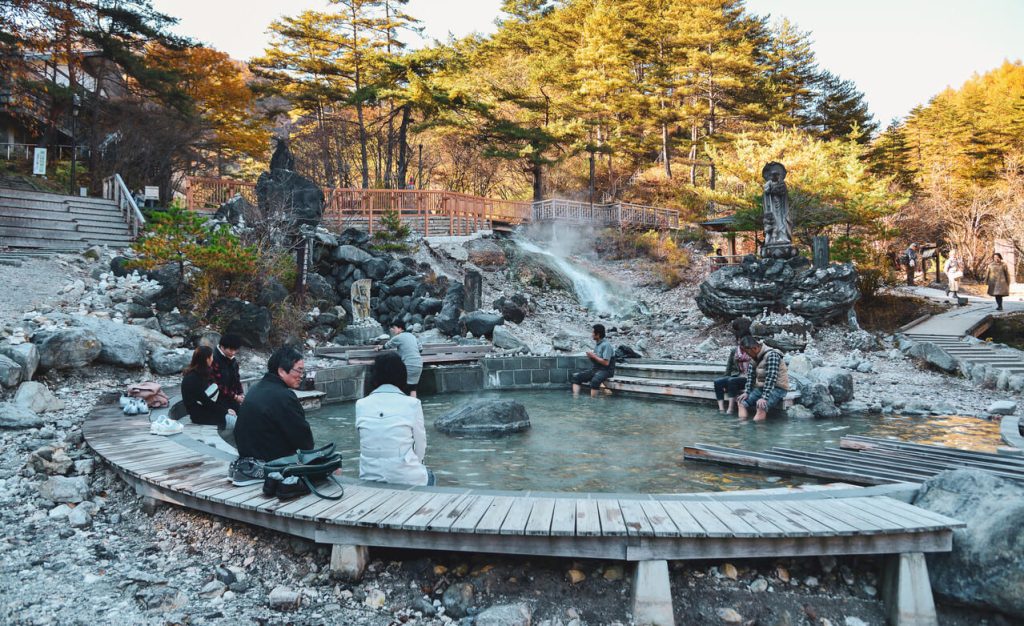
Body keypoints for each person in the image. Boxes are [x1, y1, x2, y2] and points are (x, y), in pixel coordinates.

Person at [230, 346, 313, 485]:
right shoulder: (284, 396)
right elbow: (305, 441)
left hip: (247, 463)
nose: (301, 376)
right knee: (330, 461)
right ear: (281, 371)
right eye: (299, 370)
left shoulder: (255, 388)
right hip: (269, 465)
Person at [356, 352, 433, 486]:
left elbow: (366, 440)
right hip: (406, 477)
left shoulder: (361, 404)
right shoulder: (413, 404)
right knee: (430, 475)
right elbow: (421, 447)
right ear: (402, 375)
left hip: (369, 476)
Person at [181, 346, 237, 433]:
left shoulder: (202, 374)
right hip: (200, 415)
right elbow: (205, 401)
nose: (212, 359)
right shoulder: (192, 378)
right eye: (211, 356)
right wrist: (225, 411)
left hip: (207, 409)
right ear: (206, 359)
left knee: (235, 412)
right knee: (234, 422)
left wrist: (226, 409)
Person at [736, 336, 789, 422]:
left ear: (755, 348)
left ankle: (759, 433)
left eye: (747, 352)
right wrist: (747, 392)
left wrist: (764, 397)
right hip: (761, 387)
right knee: (741, 402)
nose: (746, 355)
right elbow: (750, 376)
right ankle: (744, 430)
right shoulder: (753, 357)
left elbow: (771, 378)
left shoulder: (772, 355)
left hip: (777, 388)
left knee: (761, 406)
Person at [713, 318, 753, 414]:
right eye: (738, 340)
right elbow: (729, 367)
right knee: (718, 382)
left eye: (741, 340)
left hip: (750, 378)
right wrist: (724, 379)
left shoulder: (753, 350)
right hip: (738, 376)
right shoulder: (734, 351)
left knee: (732, 381)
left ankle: (730, 409)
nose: (740, 342)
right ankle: (721, 409)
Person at [379, 320, 423, 397]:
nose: (391, 330)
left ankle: (402, 404)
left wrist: (379, 347)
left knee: (402, 386)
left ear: (400, 329)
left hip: (408, 364)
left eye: (393, 328)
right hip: (418, 363)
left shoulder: (398, 337)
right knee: (413, 387)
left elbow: (387, 346)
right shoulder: (412, 336)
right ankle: (414, 405)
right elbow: (420, 349)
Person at [571, 323, 615, 397]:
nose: (592, 334)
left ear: (598, 334)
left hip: (607, 370)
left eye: (593, 333)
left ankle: (593, 401)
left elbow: (606, 363)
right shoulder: (598, 344)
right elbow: (597, 361)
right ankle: (575, 398)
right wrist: (591, 357)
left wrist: (594, 357)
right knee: (577, 377)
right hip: (596, 369)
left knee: (595, 381)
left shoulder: (606, 345)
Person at [212, 333, 245, 413]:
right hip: (217, 400)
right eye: (231, 350)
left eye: (235, 350)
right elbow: (217, 384)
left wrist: (240, 393)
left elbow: (236, 378)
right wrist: (235, 397)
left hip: (230, 397)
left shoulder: (232, 359)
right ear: (222, 347)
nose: (233, 353)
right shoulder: (213, 359)